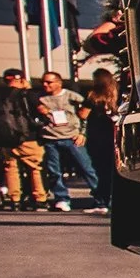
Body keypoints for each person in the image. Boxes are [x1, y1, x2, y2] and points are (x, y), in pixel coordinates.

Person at [0, 67, 49, 210]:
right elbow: (44, 111)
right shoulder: (28, 95)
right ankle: (39, 198)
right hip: (29, 137)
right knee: (35, 168)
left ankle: (14, 199)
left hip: (5, 140)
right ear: (21, 79)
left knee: (11, 168)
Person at [32, 69, 95, 213]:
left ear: (59, 83)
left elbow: (86, 112)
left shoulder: (72, 96)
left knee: (86, 168)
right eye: (43, 82)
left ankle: (101, 199)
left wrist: (82, 133)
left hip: (71, 137)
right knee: (54, 171)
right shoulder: (40, 99)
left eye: (49, 82)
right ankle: (62, 199)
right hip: (50, 139)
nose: (45, 84)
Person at [82, 70, 121, 212]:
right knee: (112, 171)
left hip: (97, 136)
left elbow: (83, 114)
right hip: (114, 136)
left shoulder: (94, 96)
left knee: (100, 170)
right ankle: (110, 200)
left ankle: (101, 201)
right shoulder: (117, 94)